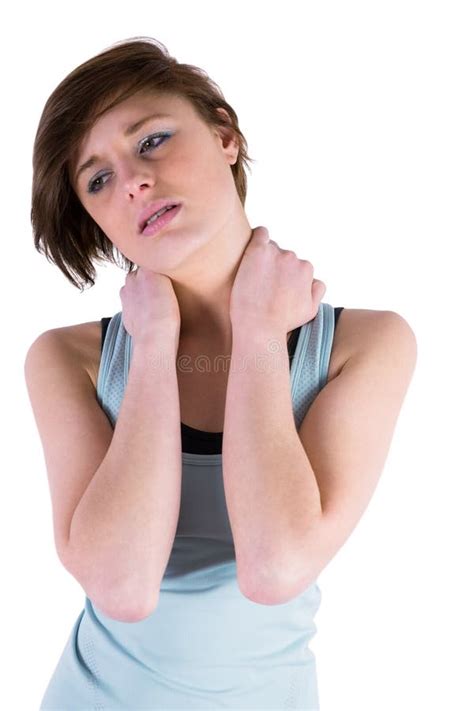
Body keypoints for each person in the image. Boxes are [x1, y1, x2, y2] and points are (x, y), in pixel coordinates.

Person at [24, 36, 417, 710]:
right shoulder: (69, 360)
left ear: (224, 134)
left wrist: (261, 331)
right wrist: (152, 344)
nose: (134, 181)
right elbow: (122, 588)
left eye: (150, 140)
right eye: (98, 179)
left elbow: (276, 566)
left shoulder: (366, 344)